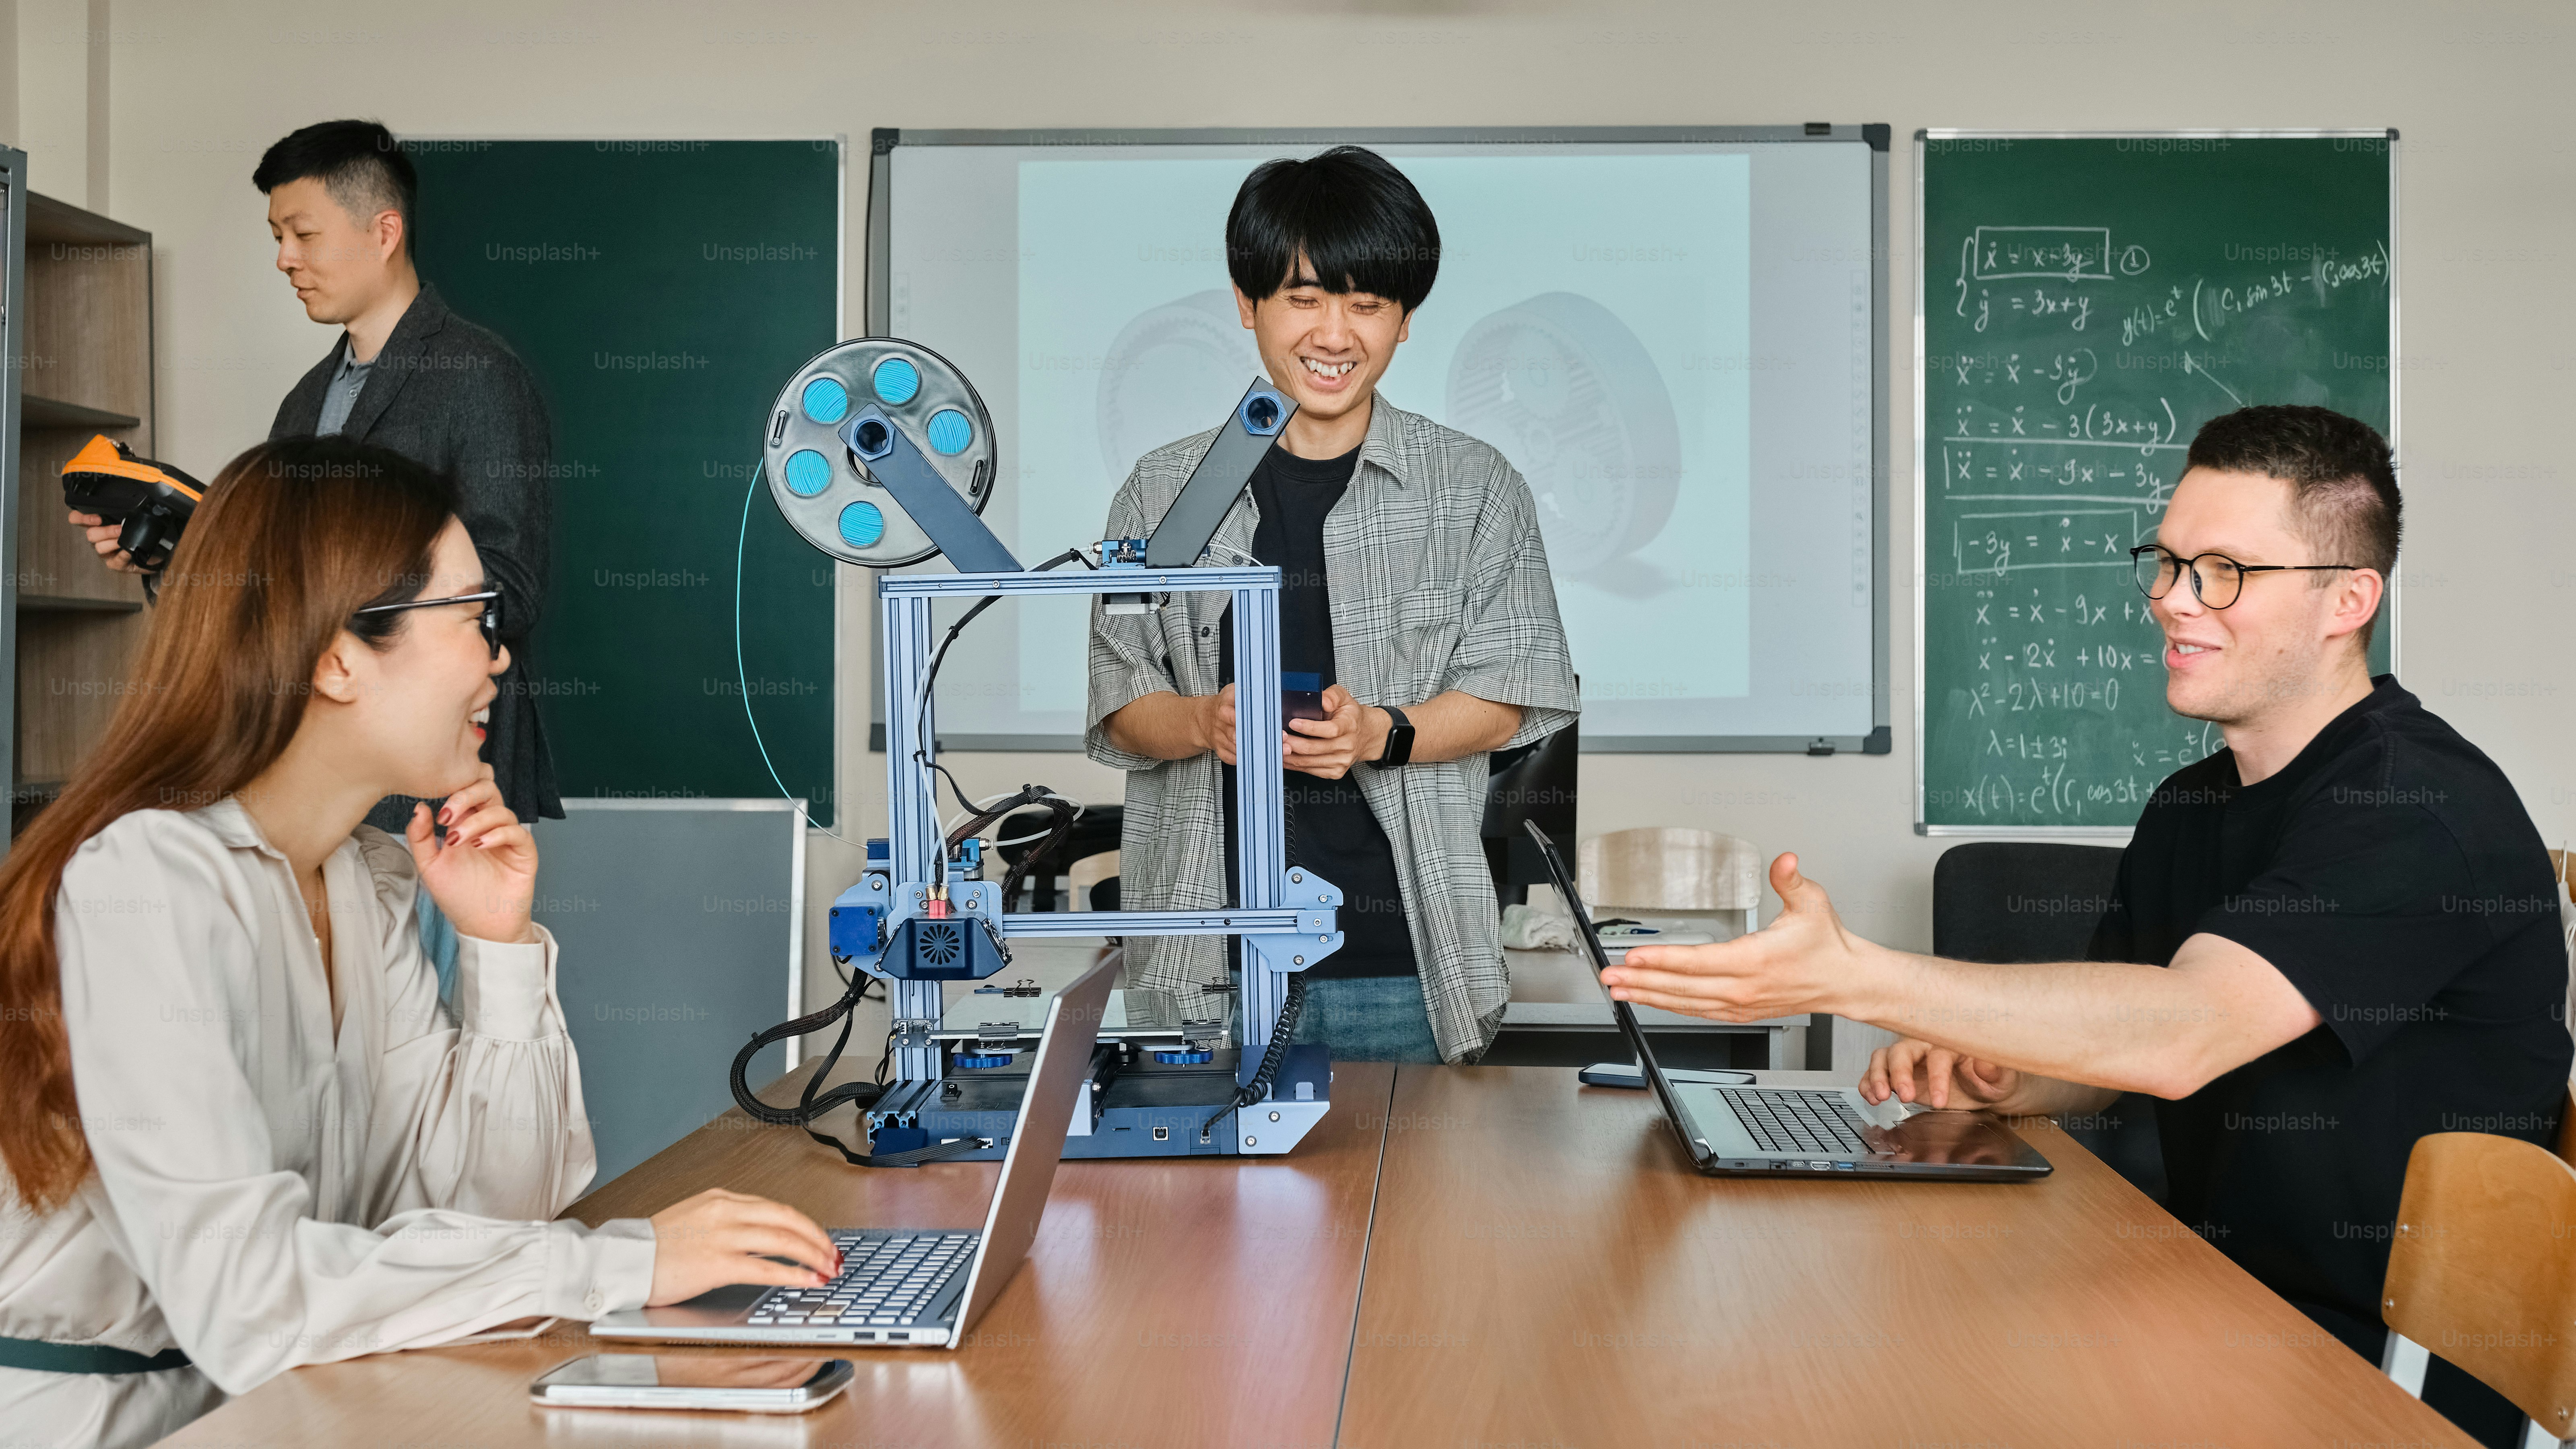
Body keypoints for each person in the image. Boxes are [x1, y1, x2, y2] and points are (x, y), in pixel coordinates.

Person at [1603, 405, 2564, 1446]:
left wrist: (1852, 976)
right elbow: (2109, 1066)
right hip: (2213, 1302)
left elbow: (2185, 1032)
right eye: (2168, 560)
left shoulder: (2420, 809)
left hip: (2387, 1380)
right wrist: (2002, 1071)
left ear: (2349, 600)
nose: (2170, 601)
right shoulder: (2192, 805)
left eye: (2225, 572)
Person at [0, 437, 839, 1449]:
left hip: (293, 1401)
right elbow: (251, 1305)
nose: (499, 655)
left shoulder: (367, 880)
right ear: (337, 658)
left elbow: (496, 1210)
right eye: (472, 618)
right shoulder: (149, 883)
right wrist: (624, 1264)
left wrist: (499, 947)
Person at [1088, 147, 1580, 1064]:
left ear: (1402, 323)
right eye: (1304, 298)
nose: (1333, 334)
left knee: (1409, 1210)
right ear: (1248, 304)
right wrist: (1204, 720)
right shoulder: (1159, 493)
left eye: (1367, 304)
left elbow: (1513, 689)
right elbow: (1119, 706)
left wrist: (1377, 734)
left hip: (1400, 969)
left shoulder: (1472, 486)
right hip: (1202, 969)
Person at [68, 119, 559, 838]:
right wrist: (171, 551)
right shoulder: (305, 399)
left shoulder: (480, 377)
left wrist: (340, 589)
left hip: (433, 798)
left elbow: (506, 592)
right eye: (276, 237)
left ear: (384, 232)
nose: (284, 259)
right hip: (302, 780)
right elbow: (268, 593)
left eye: (303, 234)